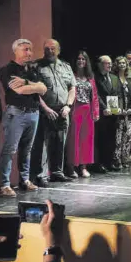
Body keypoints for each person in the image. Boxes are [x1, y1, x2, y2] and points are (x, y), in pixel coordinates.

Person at [0, 39, 46, 196]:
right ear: (16, 51)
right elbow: (19, 91)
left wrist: (26, 82)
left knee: (27, 150)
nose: (29, 53)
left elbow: (44, 89)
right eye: (25, 49)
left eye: (30, 49)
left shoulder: (32, 69)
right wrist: (34, 87)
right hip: (16, 113)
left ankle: (24, 180)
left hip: (34, 113)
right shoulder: (7, 69)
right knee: (10, 149)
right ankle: (4, 184)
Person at [31, 39, 76, 186]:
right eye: (47, 49)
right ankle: (41, 175)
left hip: (63, 110)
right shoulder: (37, 66)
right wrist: (46, 108)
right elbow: (35, 92)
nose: (49, 51)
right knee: (43, 144)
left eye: (52, 48)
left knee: (60, 141)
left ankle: (57, 172)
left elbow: (72, 88)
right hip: (45, 110)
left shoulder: (66, 67)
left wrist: (68, 106)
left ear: (58, 50)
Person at [65, 51, 99, 178]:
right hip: (75, 109)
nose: (81, 61)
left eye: (83, 59)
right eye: (79, 59)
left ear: (86, 62)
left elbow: (94, 96)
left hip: (88, 110)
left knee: (86, 139)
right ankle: (71, 167)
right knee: (74, 139)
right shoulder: (71, 75)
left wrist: (96, 112)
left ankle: (83, 167)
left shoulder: (90, 77)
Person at [113, 56, 131, 168]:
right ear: (116, 65)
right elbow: (113, 96)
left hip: (129, 113)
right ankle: (117, 160)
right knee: (118, 138)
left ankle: (125, 159)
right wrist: (119, 109)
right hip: (118, 113)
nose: (122, 65)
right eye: (120, 63)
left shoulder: (130, 80)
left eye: (124, 63)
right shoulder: (114, 78)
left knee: (127, 137)